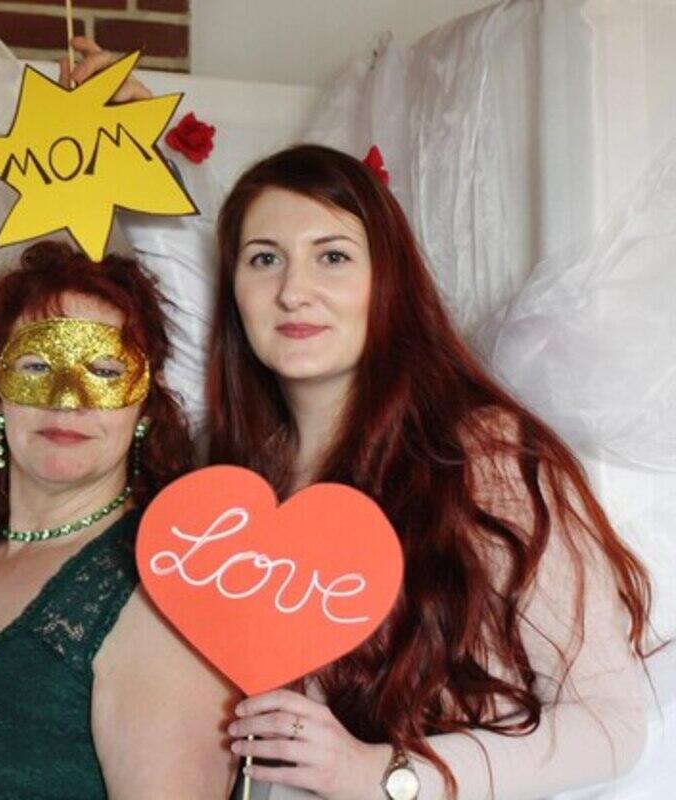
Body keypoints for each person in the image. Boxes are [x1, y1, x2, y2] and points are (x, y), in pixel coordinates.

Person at [212, 145, 657, 800]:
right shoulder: (238, 484)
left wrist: (378, 774)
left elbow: (610, 724)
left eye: (332, 256)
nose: (292, 291)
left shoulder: (482, 457)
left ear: (387, 280)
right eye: (264, 258)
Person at [0, 240, 237, 798]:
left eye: (103, 370)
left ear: (144, 409)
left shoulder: (155, 590)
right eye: (35, 365)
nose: (66, 400)